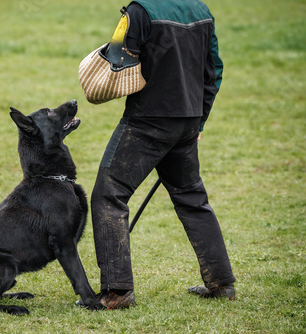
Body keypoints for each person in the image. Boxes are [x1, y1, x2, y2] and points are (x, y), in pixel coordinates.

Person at [90, 0, 236, 309]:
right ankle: (221, 283)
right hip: (187, 120)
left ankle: (117, 292)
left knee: (109, 195)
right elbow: (214, 70)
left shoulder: (139, 12)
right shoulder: (201, 10)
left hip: (147, 120)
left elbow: (116, 60)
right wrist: (199, 120)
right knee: (192, 197)